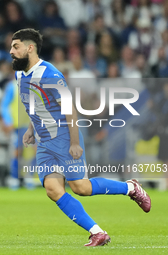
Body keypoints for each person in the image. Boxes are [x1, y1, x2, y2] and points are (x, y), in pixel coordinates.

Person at [9, 28, 151, 247]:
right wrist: (30, 129)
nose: (11, 51)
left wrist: (74, 142)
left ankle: (130, 188)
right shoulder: (20, 74)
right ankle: (97, 232)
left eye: (15, 46)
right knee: (53, 190)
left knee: (81, 188)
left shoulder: (51, 74)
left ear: (30, 48)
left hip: (65, 137)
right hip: (44, 142)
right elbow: (35, 104)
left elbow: (70, 109)